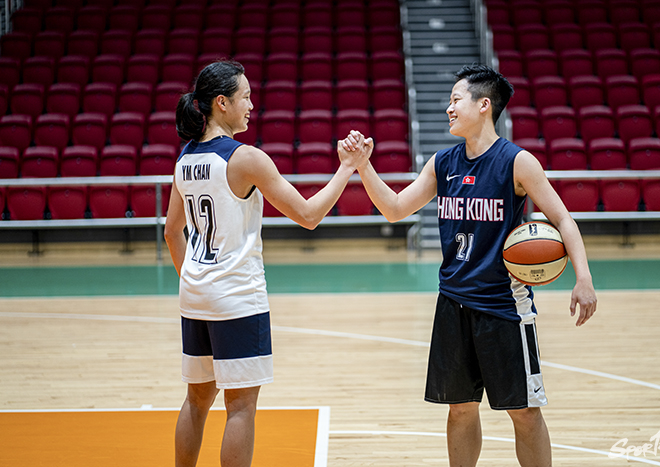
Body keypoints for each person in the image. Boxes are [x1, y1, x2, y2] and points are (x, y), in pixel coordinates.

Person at [342, 64, 597, 467]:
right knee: (459, 407)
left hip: (504, 307)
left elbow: (563, 219)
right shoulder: (443, 163)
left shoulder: (517, 162)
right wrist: (362, 165)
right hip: (453, 303)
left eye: (455, 99)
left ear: (483, 105)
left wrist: (583, 277)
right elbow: (394, 209)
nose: (448, 108)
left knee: (524, 412)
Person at [164, 60, 369, 467]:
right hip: (237, 297)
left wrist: (195, 279)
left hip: (195, 295)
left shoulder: (185, 158)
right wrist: (347, 168)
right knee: (240, 407)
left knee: (196, 399)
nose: (251, 105)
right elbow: (309, 215)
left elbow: (172, 232)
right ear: (221, 103)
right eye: (245, 97)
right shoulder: (245, 158)